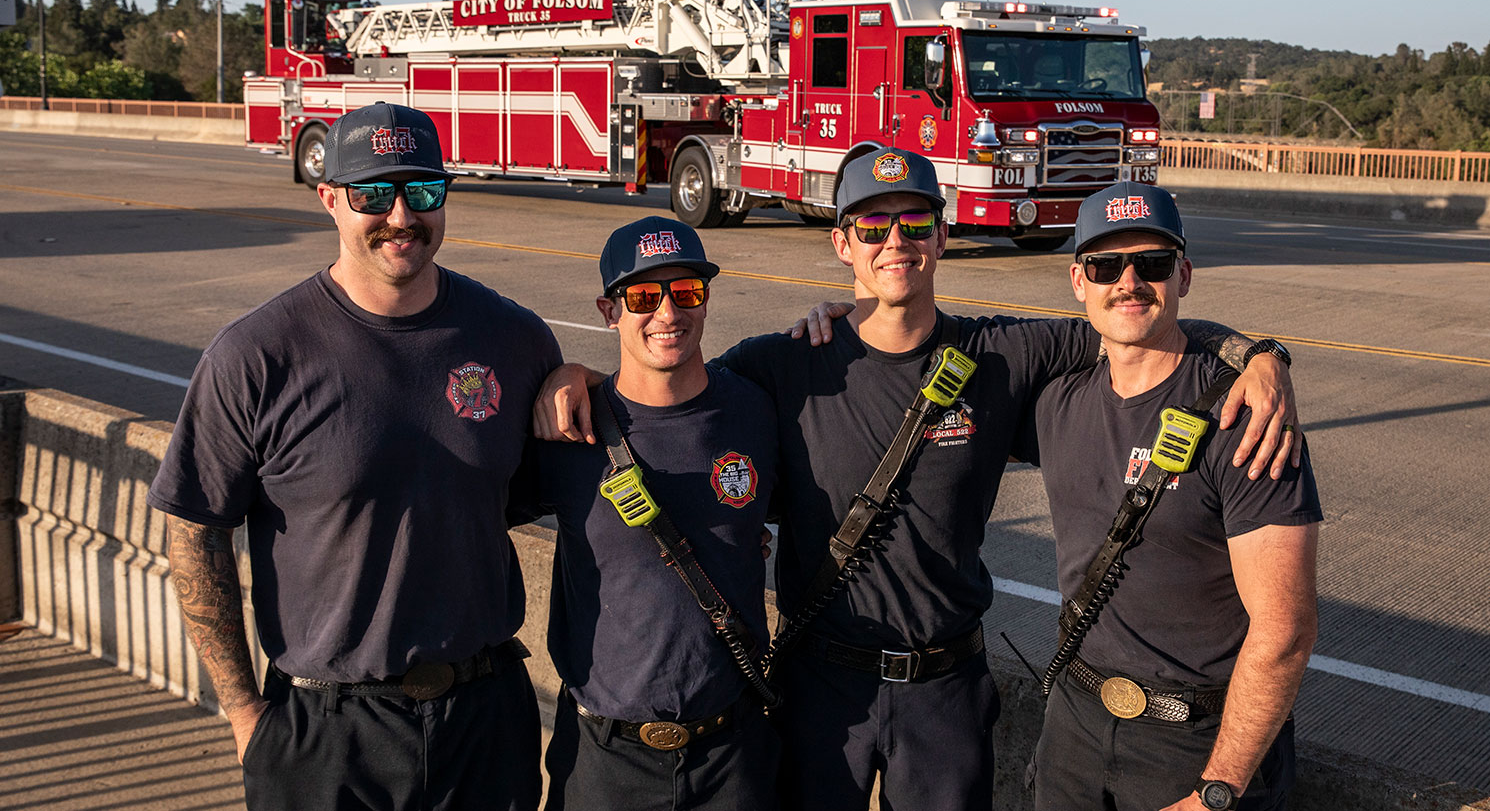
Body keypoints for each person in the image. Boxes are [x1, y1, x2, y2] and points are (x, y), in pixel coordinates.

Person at [536, 146, 1298, 811]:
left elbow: (1134, 316)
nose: (893, 241)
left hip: (945, 690)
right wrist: (577, 378)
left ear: (941, 233)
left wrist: (1255, 354)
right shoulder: (782, 364)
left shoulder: (1006, 354)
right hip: (818, 691)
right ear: (842, 243)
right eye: (872, 226)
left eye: (913, 222)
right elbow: (668, 400)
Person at [148, 102, 560, 811]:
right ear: (330, 199)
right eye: (374, 194)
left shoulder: (515, 341)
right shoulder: (255, 355)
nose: (401, 216)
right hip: (326, 731)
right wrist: (245, 714)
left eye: (423, 191)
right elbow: (194, 528)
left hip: (484, 719)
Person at [1024, 182, 1321, 811]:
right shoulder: (1055, 399)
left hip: (1194, 743)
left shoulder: (1248, 418)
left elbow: (1285, 631)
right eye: (1106, 265)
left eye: (1152, 264)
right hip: (1072, 729)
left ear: (1183, 275)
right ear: (1079, 280)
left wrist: (1217, 790)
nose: (1128, 281)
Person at [515, 216, 781, 811]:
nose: (667, 312)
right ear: (609, 312)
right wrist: (568, 375)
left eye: (686, 291)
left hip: (733, 756)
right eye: (642, 295)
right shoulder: (568, 431)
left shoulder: (758, 413)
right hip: (604, 759)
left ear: (706, 302)